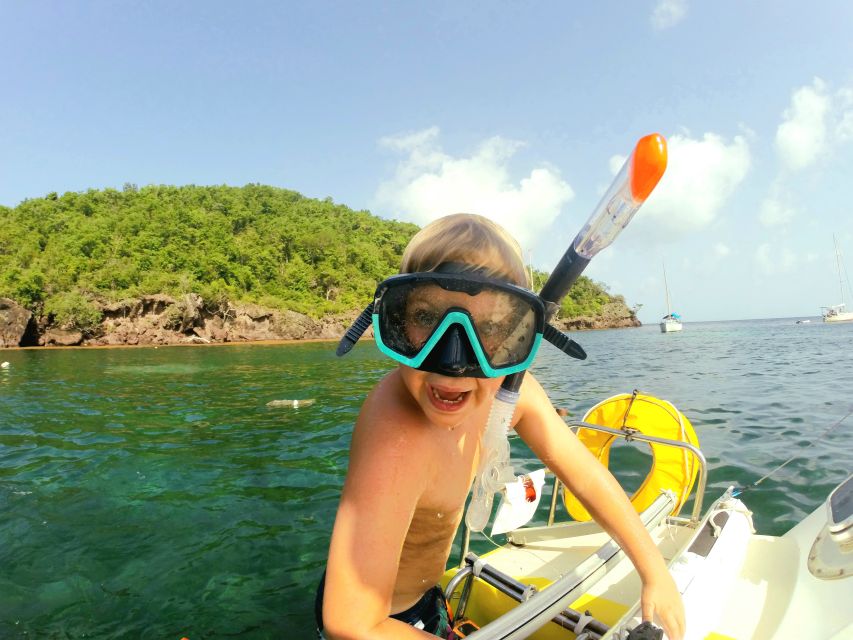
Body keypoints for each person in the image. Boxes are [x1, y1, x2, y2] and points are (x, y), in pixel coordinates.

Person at [317, 213, 685, 639]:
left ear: (518, 337)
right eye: (425, 318)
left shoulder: (514, 391)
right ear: (393, 321)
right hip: (379, 621)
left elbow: (585, 474)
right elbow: (349, 620)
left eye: (489, 329)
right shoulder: (397, 437)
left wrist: (654, 571)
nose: (453, 361)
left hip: (425, 599)